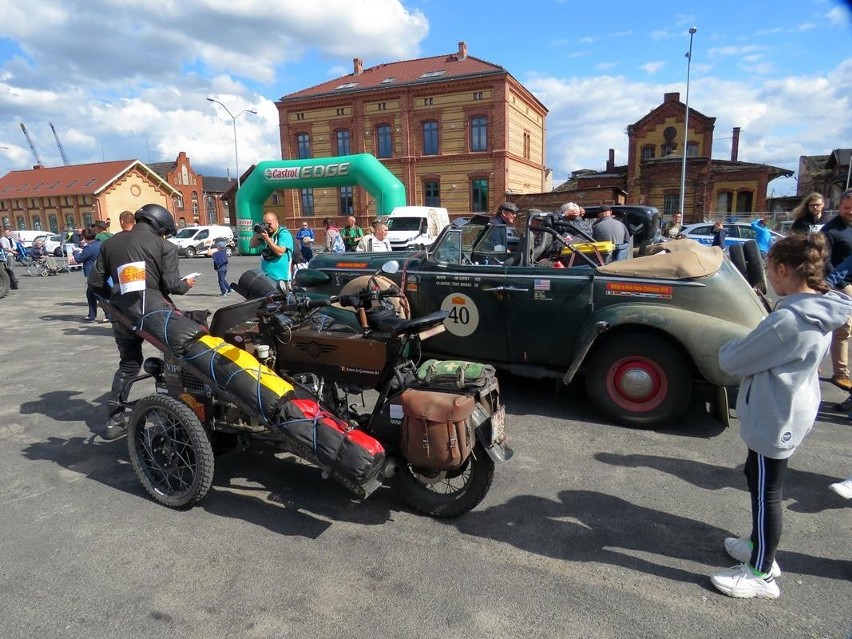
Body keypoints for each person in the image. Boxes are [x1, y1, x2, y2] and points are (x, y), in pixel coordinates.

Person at [710, 233, 852, 599]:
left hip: (778, 413)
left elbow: (734, 359)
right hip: (788, 406)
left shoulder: (790, 320)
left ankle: (761, 571)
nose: (770, 278)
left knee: (765, 492)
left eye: (772, 270)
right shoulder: (817, 306)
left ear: (783, 269)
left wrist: (730, 344)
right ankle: (758, 544)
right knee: (757, 476)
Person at [88, 203, 196, 440]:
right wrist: (185, 285)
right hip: (155, 314)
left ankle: (114, 421)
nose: (164, 235)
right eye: (164, 231)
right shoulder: (164, 246)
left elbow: (95, 283)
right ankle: (181, 412)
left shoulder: (111, 242)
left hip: (122, 314)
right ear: (159, 226)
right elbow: (171, 285)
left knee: (129, 364)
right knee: (179, 356)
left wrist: (118, 299)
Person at [821, 189, 852, 390]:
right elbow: (824, 259)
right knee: (844, 329)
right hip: (842, 285)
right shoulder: (830, 230)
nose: (850, 212)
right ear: (839, 207)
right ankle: (841, 373)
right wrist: (841, 285)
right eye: (847, 208)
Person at [249, 211, 294, 291]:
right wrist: (258, 232)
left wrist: (267, 239)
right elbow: (252, 245)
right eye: (265, 224)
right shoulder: (267, 233)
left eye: (270, 224)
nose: (268, 227)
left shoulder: (284, 233)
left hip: (281, 279)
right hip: (266, 278)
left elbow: (280, 252)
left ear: (276, 222)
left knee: (280, 302)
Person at [72, 228, 106, 322]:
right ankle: (92, 315)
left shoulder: (89, 247)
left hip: (92, 273)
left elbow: (79, 258)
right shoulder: (100, 244)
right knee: (90, 294)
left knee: (99, 296)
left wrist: (75, 251)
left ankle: (108, 314)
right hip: (100, 271)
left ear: (84, 237)